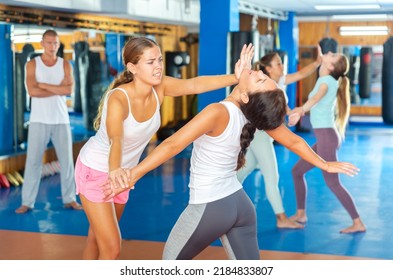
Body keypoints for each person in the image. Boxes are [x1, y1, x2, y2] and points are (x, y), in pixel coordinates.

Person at [103, 67, 359, 260]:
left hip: (210, 206)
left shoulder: (218, 112)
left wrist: (133, 174)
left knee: (169, 264)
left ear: (247, 95)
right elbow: (293, 142)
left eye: (259, 78)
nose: (258, 71)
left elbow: (173, 145)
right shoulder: (252, 116)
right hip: (240, 206)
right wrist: (324, 165)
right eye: (263, 74)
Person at [74, 37, 254, 260]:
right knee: (111, 248)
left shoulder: (159, 87)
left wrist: (237, 77)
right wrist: (114, 171)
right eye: (150, 62)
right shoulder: (118, 99)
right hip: (98, 170)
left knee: (96, 240)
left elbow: (195, 84)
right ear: (133, 67)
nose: (158, 66)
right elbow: (116, 139)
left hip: (124, 174)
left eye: (159, 59)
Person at [236, 46, 322, 229]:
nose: (282, 66)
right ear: (268, 69)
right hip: (260, 135)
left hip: (262, 133)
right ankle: (281, 218)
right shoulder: (260, 87)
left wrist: (316, 62)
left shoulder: (279, 82)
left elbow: (301, 74)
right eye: (279, 63)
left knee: (248, 166)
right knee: (271, 177)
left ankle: (223, 196)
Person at [287, 51, 366, 234]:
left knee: (333, 183)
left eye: (333, 55)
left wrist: (300, 110)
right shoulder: (327, 79)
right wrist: (320, 59)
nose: (330, 52)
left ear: (331, 66)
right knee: (297, 171)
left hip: (327, 138)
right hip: (326, 137)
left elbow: (315, 99)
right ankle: (301, 214)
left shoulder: (325, 82)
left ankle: (357, 222)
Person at [16, 29, 82, 214]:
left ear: (59, 44)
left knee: (67, 162)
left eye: (55, 43)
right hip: (38, 120)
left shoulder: (65, 65)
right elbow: (32, 91)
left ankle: (70, 199)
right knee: (33, 162)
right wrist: (57, 88)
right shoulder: (32, 65)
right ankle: (27, 202)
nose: (52, 46)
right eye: (49, 43)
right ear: (42, 43)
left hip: (61, 119)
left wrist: (43, 85)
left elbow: (68, 90)